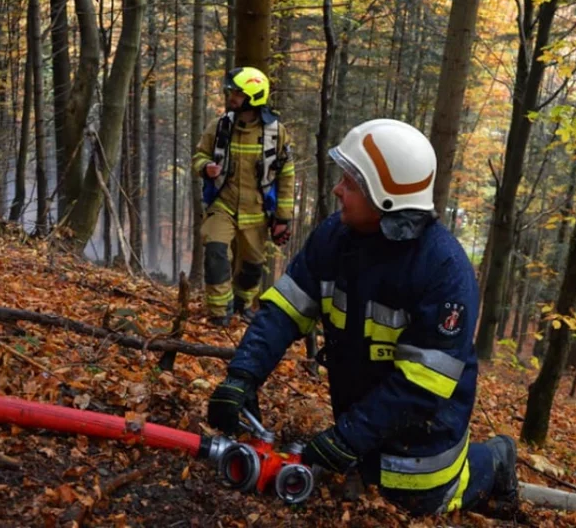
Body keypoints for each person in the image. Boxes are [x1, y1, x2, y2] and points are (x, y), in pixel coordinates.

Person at [206, 119, 518, 515]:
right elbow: (284, 312)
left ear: (385, 199)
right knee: (363, 479)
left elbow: (422, 387)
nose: (338, 189)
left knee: (418, 498)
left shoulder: (443, 271)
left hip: (423, 435)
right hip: (363, 415)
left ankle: (495, 459)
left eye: (351, 184)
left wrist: (349, 436)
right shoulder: (335, 237)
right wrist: (242, 375)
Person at [191, 66, 295, 324]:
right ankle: (218, 313)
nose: (230, 97)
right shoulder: (218, 127)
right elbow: (199, 156)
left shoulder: (275, 133)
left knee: (252, 265)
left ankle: (243, 304)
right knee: (215, 251)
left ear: (253, 96)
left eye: (237, 93)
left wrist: (282, 218)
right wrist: (205, 167)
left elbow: (287, 176)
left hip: (256, 212)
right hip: (221, 206)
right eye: (231, 92)